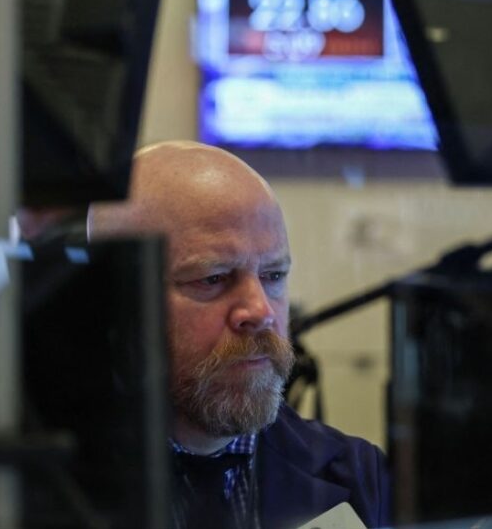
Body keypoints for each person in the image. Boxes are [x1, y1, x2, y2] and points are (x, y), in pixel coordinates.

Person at [88, 141, 390, 529]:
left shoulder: (363, 481)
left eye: (273, 276)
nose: (261, 311)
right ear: (117, 297)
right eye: (212, 278)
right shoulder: (31, 490)